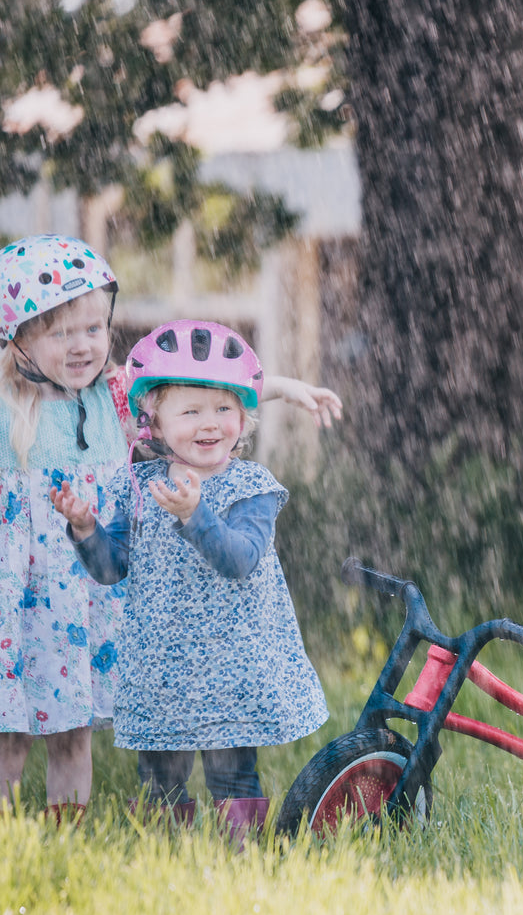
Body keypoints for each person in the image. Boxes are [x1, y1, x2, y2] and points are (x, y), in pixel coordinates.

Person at [0, 235, 339, 824]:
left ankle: (69, 835)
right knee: (10, 733)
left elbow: (205, 391)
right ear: (19, 338)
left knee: (75, 729)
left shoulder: (115, 398)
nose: (83, 346)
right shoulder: (9, 403)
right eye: (61, 333)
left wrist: (286, 389)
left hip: (91, 589)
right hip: (25, 593)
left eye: (94, 329)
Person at [52, 320, 329, 842]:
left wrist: (196, 513)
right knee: (160, 782)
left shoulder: (251, 488)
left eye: (224, 408)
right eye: (191, 410)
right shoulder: (139, 485)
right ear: (152, 421)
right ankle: (164, 859)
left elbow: (240, 559)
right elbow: (112, 569)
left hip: (231, 671)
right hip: (162, 672)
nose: (210, 423)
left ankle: (237, 859)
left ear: (245, 416)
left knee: (232, 777)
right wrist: (85, 528)